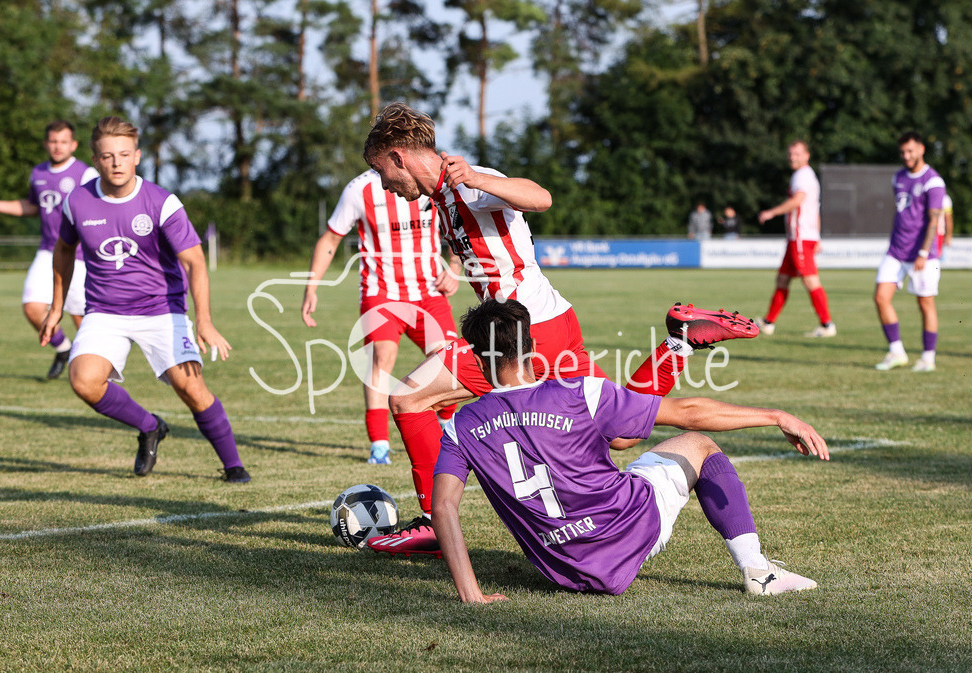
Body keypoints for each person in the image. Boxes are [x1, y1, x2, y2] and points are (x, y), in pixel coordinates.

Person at [360, 102, 758, 556]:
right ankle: (679, 341)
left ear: (398, 156)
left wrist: (476, 178)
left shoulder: (465, 180)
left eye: (381, 171)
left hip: (522, 334)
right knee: (622, 435)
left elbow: (540, 197)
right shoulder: (441, 198)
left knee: (408, 397)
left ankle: (434, 522)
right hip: (551, 322)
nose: (385, 184)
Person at [432, 299, 828, 602]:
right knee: (701, 446)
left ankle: (677, 344)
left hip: (562, 569)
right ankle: (758, 571)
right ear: (533, 346)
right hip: (628, 531)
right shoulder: (578, 391)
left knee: (621, 439)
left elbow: (444, 507)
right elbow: (688, 413)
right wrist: (777, 415)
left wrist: (472, 594)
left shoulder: (459, 427)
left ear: (476, 356)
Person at [39, 116, 250, 483]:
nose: (117, 162)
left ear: (137, 156)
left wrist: (203, 321)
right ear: (96, 160)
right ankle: (150, 426)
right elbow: (63, 250)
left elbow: (195, 261)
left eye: (124, 154)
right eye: (107, 156)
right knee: (83, 380)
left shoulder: (161, 202)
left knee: (191, 388)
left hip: (162, 310)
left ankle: (234, 467)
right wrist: (57, 307)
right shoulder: (78, 202)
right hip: (104, 311)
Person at [302, 169, 463, 464]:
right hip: (381, 293)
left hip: (429, 293)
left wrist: (454, 266)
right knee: (381, 358)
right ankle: (379, 446)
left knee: (449, 361)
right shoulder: (359, 189)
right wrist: (312, 286)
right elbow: (330, 239)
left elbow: (457, 222)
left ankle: (445, 423)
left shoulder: (428, 178)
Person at [0, 121, 99, 379]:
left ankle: (93, 372)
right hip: (48, 250)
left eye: (63, 141)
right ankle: (63, 348)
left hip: (81, 257)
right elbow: (31, 206)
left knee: (82, 318)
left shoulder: (86, 174)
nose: (58, 146)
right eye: (53, 141)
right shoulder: (38, 173)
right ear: (46, 144)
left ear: (73, 145)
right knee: (32, 307)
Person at [874, 132, 947, 372]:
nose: (906, 156)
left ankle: (928, 357)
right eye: (903, 152)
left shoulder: (933, 181)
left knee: (925, 304)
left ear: (922, 149)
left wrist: (924, 252)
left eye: (911, 151)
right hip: (896, 250)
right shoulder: (898, 178)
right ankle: (896, 352)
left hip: (923, 254)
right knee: (881, 297)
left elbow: (933, 221)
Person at [756, 140, 836, 338]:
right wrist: (817, 237)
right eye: (791, 153)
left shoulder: (803, 175)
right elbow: (814, 209)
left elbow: (797, 201)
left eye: (797, 153)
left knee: (810, 281)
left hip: (801, 237)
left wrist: (771, 213)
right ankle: (768, 323)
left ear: (807, 155)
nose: (793, 157)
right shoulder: (806, 175)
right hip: (798, 237)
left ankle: (827, 325)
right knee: (782, 279)